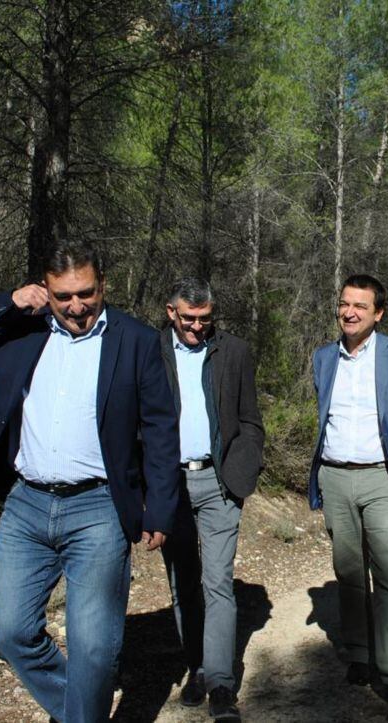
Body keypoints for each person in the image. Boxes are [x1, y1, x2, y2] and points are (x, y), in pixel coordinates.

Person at [0, 241, 180, 723]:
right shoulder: (20, 333)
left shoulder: (134, 339)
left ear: (102, 285)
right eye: (63, 296)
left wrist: (159, 507)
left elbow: (159, 428)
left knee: (94, 649)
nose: (76, 306)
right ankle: (80, 710)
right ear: (45, 291)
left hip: (97, 510)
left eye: (86, 293)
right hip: (26, 504)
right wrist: (6, 305)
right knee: (8, 630)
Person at [308, 274, 388, 720]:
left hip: (383, 479)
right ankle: (360, 653)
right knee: (349, 571)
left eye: (361, 306)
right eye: (344, 304)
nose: (350, 312)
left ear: (378, 313)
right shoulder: (324, 358)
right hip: (336, 477)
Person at [158, 278, 265, 723]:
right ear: (171, 313)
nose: (197, 328)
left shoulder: (233, 351)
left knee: (217, 582)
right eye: (189, 319)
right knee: (183, 583)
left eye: (205, 319)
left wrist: (240, 471)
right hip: (170, 486)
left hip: (218, 484)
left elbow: (250, 420)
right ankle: (196, 669)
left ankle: (221, 682)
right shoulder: (151, 350)